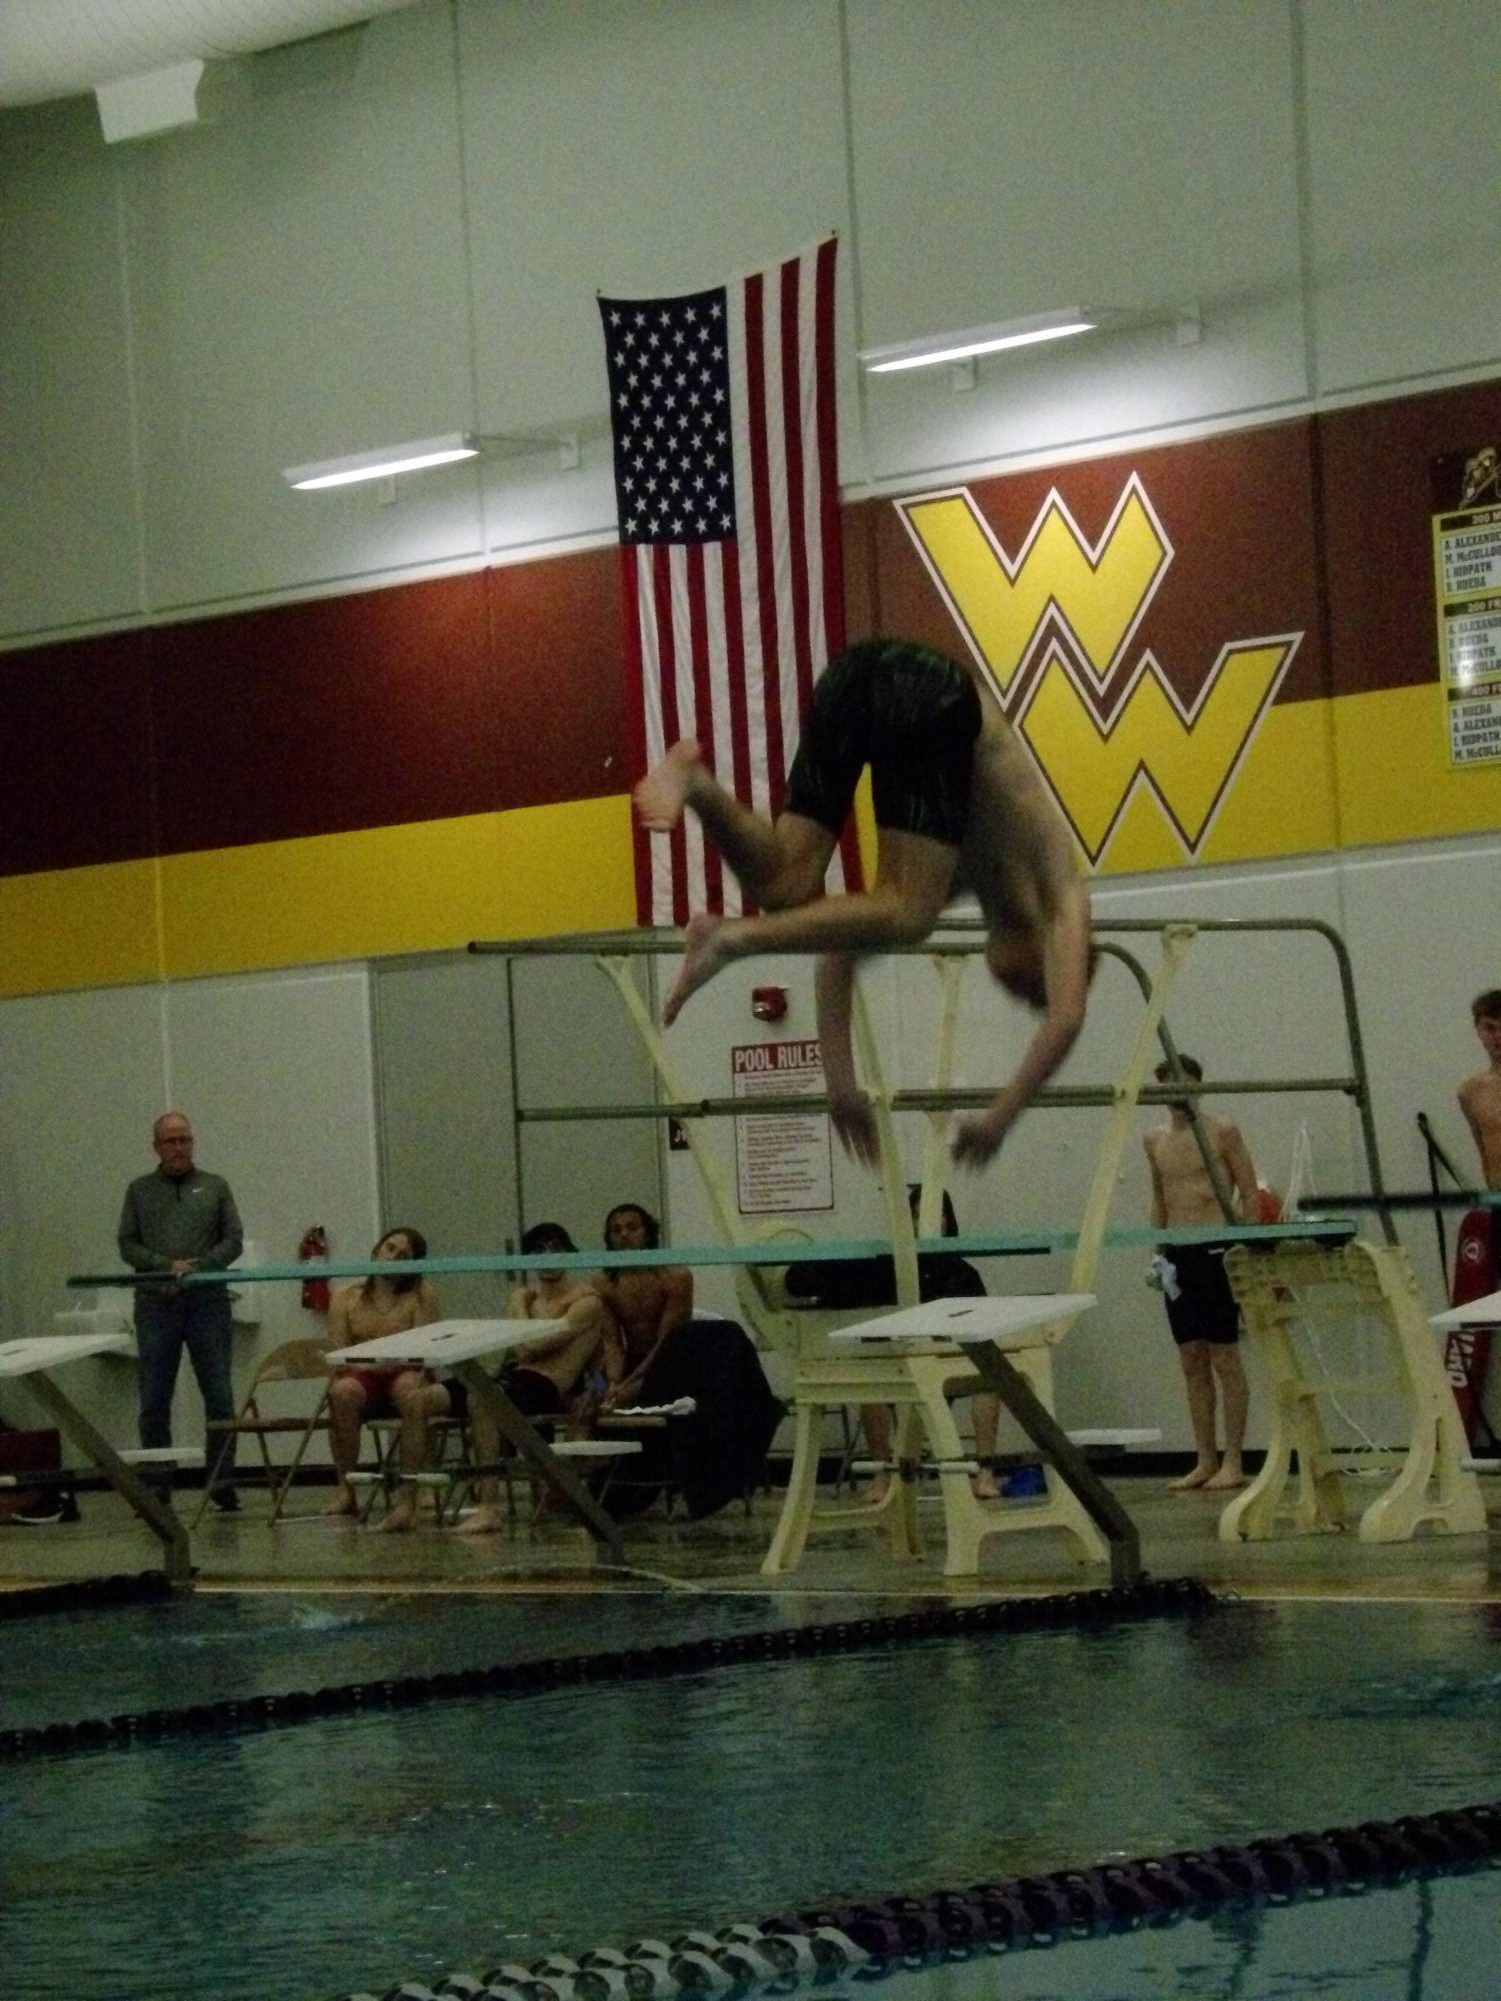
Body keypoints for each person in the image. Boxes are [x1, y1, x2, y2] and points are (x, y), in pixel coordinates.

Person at [634, 637, 1094, 1170]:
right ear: (1055, 960)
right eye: (1032, 994)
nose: (1018, 998)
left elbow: (838, 957)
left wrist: (841, 1085)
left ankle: (697, 784)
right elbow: (1066, 1020)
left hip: (854, 678)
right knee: (909, 914)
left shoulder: (956, 875)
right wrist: (999, 1120)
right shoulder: (1060, 890)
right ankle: (729, 939)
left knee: (785, 884)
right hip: (931, 688)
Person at [786, 1185, 998, 1501]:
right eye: (915, 1216)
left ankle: (985, 1472)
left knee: (989, 1382)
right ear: (905, 1222)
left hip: (946, 1365)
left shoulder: (963, 1274)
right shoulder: (886, 1267)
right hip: (898, 1364)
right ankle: (883, 1472)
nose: (925, 1224)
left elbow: (981, 1332)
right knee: (871, 1386)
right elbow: (825, 1284)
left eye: (935, 1215)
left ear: (948, 1220)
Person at [452, 1221, 621, 1536]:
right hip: (520, 1378)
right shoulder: (535, 1303)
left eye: (555, 1249)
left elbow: (530, 1345)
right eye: (538, 1251)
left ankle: (489, 1506)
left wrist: (517, 1303)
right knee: (435, 1395)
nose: (547, 1257)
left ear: (570, 1255)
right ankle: (411, 1499)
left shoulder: (586, 1302)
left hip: (551, 1383)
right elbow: (519, 1352)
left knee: (483, 1399)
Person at [1143, 1055, 1261, 1493]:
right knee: (1191, 1358)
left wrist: (1247, 1251)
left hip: (1217, 1251)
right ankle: (1204, 1458)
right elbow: (1160, 1199)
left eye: (1184, 1084)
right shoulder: (1153, 1139)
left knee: (1224, 1355)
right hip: (1178, 1254)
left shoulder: (1222, 1132)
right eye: (1167, 1086)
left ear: (1199, 1087)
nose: (1176, 1095)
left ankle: (1234, 1460)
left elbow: (1249, 1193)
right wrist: (1157, 1254)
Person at [118, 1112, 244, 1509]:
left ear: (193, 1143)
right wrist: (164, 1265)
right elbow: (127, 1244)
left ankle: (222, 1483)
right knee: (154, 1398)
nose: (178, 1147)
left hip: (207, 1303)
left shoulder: (215, 1186)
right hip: (156, 1305)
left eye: (184, 1139)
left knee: (220, 1397)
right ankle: (157, 1487)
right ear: (155, 1147)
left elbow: (234, 1240)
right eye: (170, 1141)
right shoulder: (139, 1191)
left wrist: (198, 1268)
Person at [324, 1226, 445, 1532]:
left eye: (404, 1255)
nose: (393, 1257)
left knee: (409, 1387)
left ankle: (412, 1488)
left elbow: (423, 1350)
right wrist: (369, 1366)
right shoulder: (347, 1298)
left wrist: (388, 1363)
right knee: (342, 1392)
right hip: (363, 1373)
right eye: (390, 1248)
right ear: (377, 1250)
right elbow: (341, 1352)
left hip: (407, 1370)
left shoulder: (420, 1295)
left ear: (413, 1263)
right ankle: (346, 1490)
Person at [594, 1202, 693, 1407]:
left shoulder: (674, 1277)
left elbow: (667, 1342)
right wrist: (612, 1384)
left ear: (647, 1234)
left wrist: (629, 1384)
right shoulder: (603, 1284)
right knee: (592, 1395)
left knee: (631, 1395)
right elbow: (612, 1344)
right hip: (631, 1359)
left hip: (671, 1360)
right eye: (616, 1230)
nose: (624, 1235)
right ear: (609, 1239)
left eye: (632, 1228)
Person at [1457, 987, 1501, 1190]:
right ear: (1479, 1031)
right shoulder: (1470, 1092)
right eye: (1490, 1028)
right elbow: (1484, 1151)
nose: (1498, 1036)